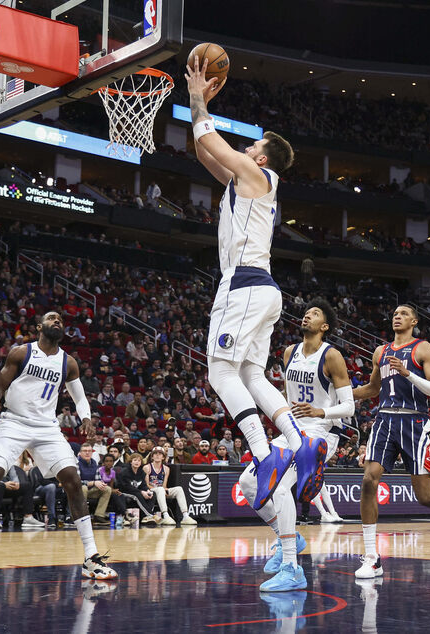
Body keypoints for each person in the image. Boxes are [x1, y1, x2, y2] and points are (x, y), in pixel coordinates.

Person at [186, 55, 326, 511]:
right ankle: (299, 442)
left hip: (243, 284)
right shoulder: (244, 180)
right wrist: (198, 108)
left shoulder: (259, 174)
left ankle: (265, 455)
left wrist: (195, 92)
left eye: (251, 145)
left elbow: (212, 140)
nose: (245, 148)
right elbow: (203, 146)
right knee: (250, 373)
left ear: (261, 156)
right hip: (263, 289)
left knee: (220, 371)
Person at [0, 311, 116, 580]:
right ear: (39, 326)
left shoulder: (69, 363)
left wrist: (87, 418)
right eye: (51, 318)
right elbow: (0, 386)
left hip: (46, 427)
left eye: (60, 321)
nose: (57, 322)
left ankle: (91, 557)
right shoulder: (22, 353)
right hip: (14, 422)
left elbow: (79, 398)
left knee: (73, 479)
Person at [353, 305, 430, 579]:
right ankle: (372, 557)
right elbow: (373, 389)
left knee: (424, 496)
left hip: (415, 421)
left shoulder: (423, 349)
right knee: (368, 480)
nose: (397, 315)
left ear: (414, 321)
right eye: (394, 313)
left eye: (403, 313)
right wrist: (342, 395)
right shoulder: (380, 352)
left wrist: (408, 373)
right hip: (385, 419)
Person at [239, 299, 354, 591]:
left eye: (315, 313)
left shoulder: (332, 357)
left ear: (324, 326)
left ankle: (292, 568)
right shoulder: (289, 352)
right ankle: (288, 536)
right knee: (248, 483)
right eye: (306, 313)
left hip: (320, 434)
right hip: (292, 428)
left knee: (278, 487)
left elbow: (349, 407)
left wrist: (320, 411)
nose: (307, 316)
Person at [144, 446, 197, 526]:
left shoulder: (166, 469)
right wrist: (160, 489)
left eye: (160, 454)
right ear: (152, 456)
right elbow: (146, 485)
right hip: (151, 491)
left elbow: (164, 485)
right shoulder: (147, 467)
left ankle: (185, 516)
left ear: (163, 457)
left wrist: (165, 490)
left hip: (161, 490)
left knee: (179, 489)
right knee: (160, 489)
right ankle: (165, 515)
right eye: (155, 454)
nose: (157, 455)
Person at [117, 452, 158, 523]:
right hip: (124, 492)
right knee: (137, 495)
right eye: (135, 460)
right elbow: (127, 487)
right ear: (130, 462)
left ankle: (145, 517)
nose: (137, 462)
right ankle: (150, 515)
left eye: (139, 461)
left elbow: (143, 485)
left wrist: (147, 491)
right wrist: (141, 492)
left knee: (152, 493)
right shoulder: (124, 472)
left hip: (136, 491)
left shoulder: (142, 472)